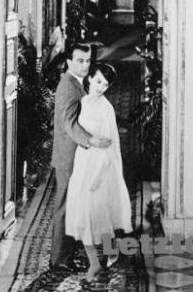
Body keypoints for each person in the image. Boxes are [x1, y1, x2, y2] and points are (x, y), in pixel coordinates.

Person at [65, 62, 132, 280]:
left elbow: (109, 146)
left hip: (100, 167)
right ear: (90, 79)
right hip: (83, 161)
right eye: (98, 81)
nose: (101, 87)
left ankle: (112, 252)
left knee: (100, 216)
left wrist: (97, 177)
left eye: (105, 84)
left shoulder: (106, 109)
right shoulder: (84, 102)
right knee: (82, 215)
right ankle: (94, 263)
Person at [50, 44, 112, 271]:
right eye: (80, 61)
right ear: (68, 62)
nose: (85, 65)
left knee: (74, 204)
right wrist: (91, 140)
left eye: (87, 60)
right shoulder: (68, 86)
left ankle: (67, 255)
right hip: (68, 155)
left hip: (77, 154)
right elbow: (69, 124)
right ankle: (59, 260)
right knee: (66, 206)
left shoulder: (77, 82)